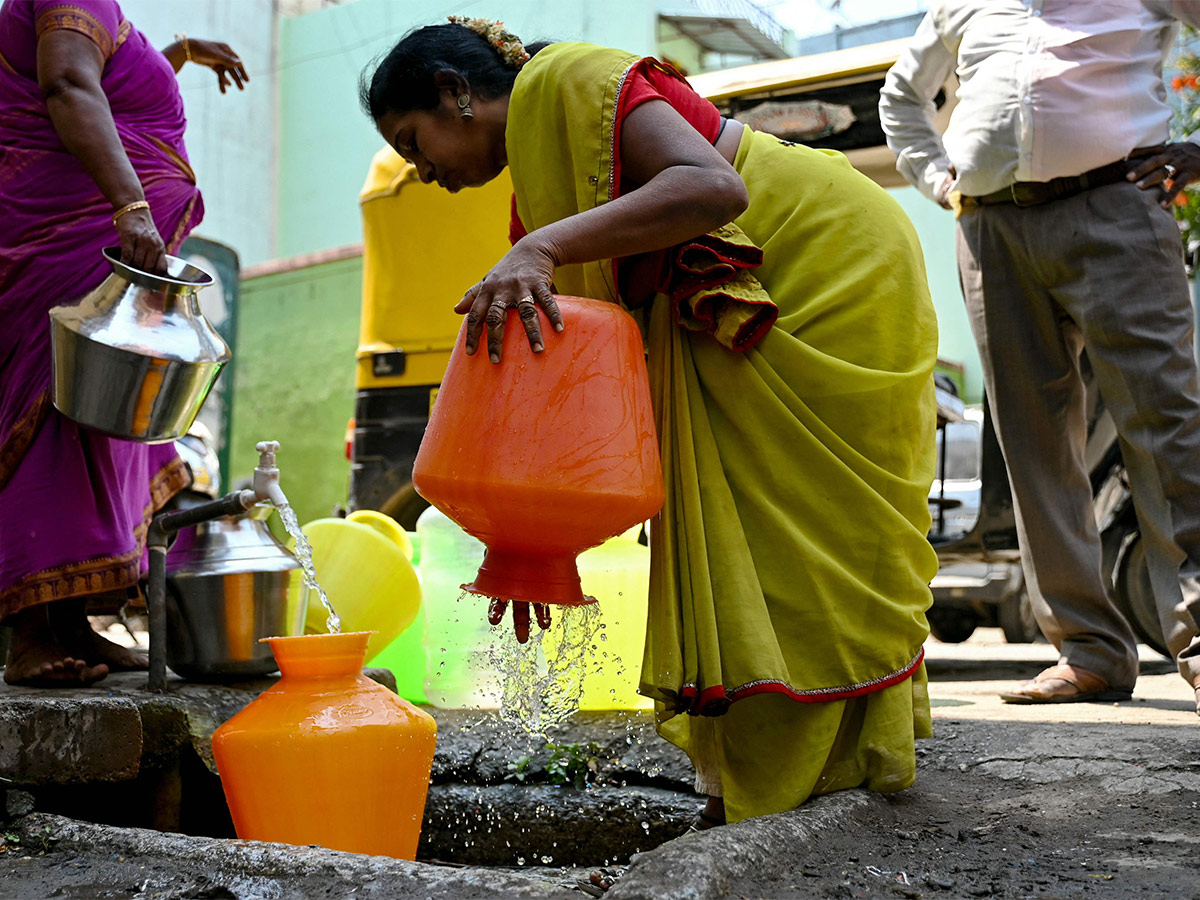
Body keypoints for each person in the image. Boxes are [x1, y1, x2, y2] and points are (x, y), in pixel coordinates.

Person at [360, 16, 941, 845]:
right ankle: (773, 780)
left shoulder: (566, 82)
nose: (423, 173)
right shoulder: (542, 180)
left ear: (456, 96)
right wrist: (532, 547)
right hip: (757, 296)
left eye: (414, 143)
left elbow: (713, 190)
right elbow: (574, 380)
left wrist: (542, 250)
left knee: (811, 538)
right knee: (746, 540)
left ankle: (814, 772)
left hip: (823, 263)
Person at [880, 1, 1200, 713]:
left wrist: (1198, 150)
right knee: (1033, 444)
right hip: (992, 230)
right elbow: (901, 94)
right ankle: (1087, 650)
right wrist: (940, 182)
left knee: (1167, 427)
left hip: (1119, 207)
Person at [0, 0, 248, 686]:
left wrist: (172, 56)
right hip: (64, 243)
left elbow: (100, 89)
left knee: (99, 427)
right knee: (54, 425)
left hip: (80, 244)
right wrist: (131, 203)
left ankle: (75, 622)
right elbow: (67, 88)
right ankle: (31, 635)